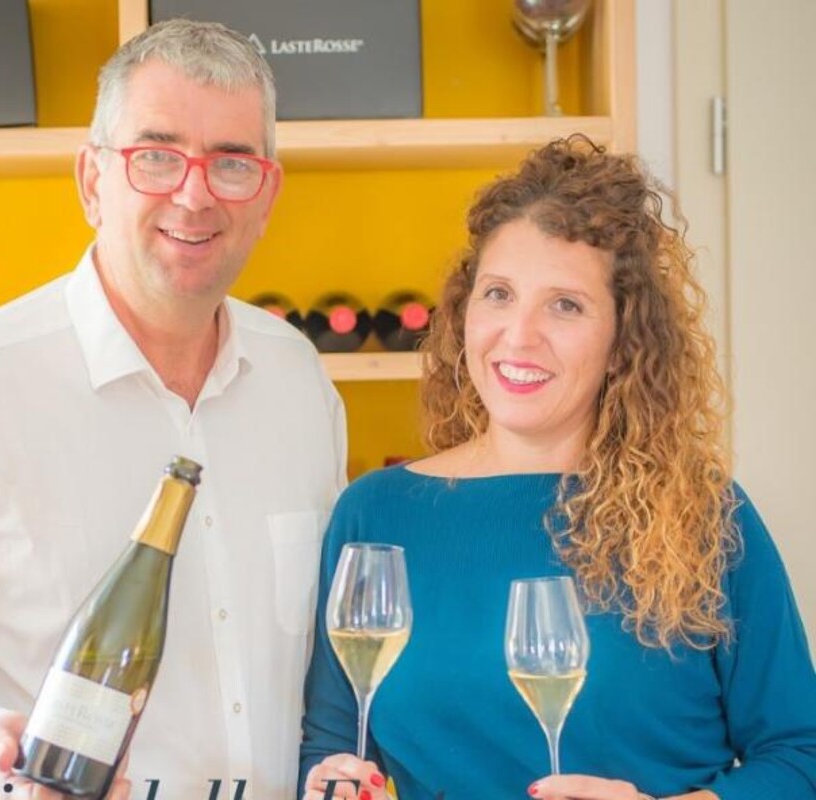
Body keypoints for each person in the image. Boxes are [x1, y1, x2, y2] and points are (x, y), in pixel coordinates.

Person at [0, 19, 347, 800]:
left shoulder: (297, 380)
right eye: (156, 156)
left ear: (265, 194)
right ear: (93, 181)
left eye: (231, 162)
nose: (193, 194)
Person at [298, 135, 816, 800]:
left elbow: (800, 755)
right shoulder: (375, 514)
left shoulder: (704, 514)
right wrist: (331, 784)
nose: (518, 336)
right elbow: (333, 746)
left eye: (564, 304)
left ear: (623, 339)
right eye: (498, 294)